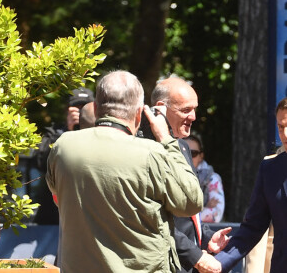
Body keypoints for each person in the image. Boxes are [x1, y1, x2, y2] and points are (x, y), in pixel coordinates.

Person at [46, 70, 204, 273]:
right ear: (140, 112)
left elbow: (56, 194)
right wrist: (167, 140)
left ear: (96, 107)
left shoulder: (62, 147)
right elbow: (192, 202)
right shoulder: (153, 153)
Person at [151, 77, 231, 273]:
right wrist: (196, 256)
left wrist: (206, 238)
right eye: (186, 110)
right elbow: (154, 220)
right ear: (161, 108)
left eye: (195, 108)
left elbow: (187, 213)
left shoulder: (183, 146)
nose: (194, 116)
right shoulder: (147, 150)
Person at [213, 97, 287, 273]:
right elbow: (253, 226)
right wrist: (219, 262)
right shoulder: (270, 169)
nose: (285, 134)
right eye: (281, 127)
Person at [33, 87, 94, 225]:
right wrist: (66, 132)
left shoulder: (102, 133)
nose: (80, 112)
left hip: (89, 213)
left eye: (84, 107)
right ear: (67, 110)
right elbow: (41, 163)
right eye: (76, 107)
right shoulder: (55, 133)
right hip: (55, 215)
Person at [184, 134, 225, 223]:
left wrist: (183, 216)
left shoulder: (212, 178)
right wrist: (204, 208)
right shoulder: (170, 174)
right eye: (184, 152)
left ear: (201, 156)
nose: (188, 157)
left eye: (193, 153)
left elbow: (215, 215)